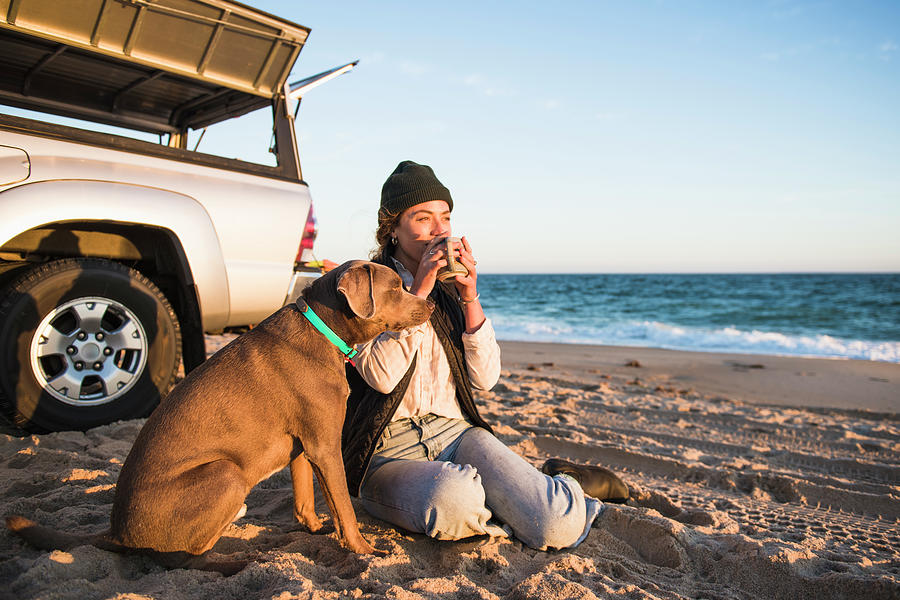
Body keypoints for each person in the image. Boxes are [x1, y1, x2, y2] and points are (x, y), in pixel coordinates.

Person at [341, 160, 629, 550]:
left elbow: (486, 379)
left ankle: (564, 484)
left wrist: (470, 297)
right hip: (384, 451)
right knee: (453, 500)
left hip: (456, 434)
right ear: (392, 227)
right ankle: (513, 500)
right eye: (422, 218)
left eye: (445, 217)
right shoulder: (366, 286)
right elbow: (381, 377)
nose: (439, 230)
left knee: (553, 526)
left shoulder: (450, 293)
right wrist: (419, 292)